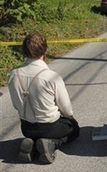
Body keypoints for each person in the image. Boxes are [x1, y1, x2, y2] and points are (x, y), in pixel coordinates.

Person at [6, 32, 80, 164]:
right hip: (50, 126)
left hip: (27, 127)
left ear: (24, 51)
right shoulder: (51, 77)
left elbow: (16, 105)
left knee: (36, 131)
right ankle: (50, 143)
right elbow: (67, 111)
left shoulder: (12, 75)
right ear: (44, 50)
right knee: (74, 129)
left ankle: (32, 144)